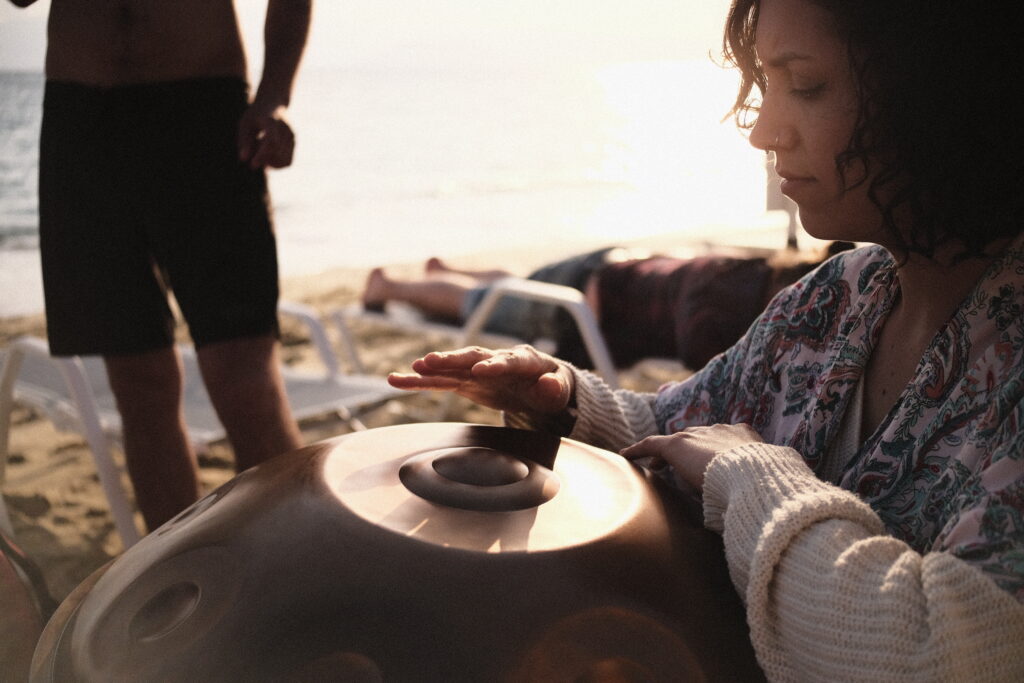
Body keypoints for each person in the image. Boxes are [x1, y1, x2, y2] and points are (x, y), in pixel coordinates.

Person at [388, 0, 1024, 679]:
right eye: (766, 85)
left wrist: (758, 482)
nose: (766, 132)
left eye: (805, 85)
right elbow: (683, 428)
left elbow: (951, 654)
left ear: (938, 90)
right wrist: (566, 401)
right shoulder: (840, 294)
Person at [7, 0, 312, 531]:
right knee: (138, 382)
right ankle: (180, 582)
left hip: (204, 113)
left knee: (244, 376)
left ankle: (296, 574)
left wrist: (274, 97)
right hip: (82, 121)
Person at [364, 242, 852, 371]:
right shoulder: (721, 313)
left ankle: (442, 269)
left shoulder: (753, 268)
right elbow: (705, 358)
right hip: (581, 306)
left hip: (611, 267)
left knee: (515, 284)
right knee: (478, 303)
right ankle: (389, 287)